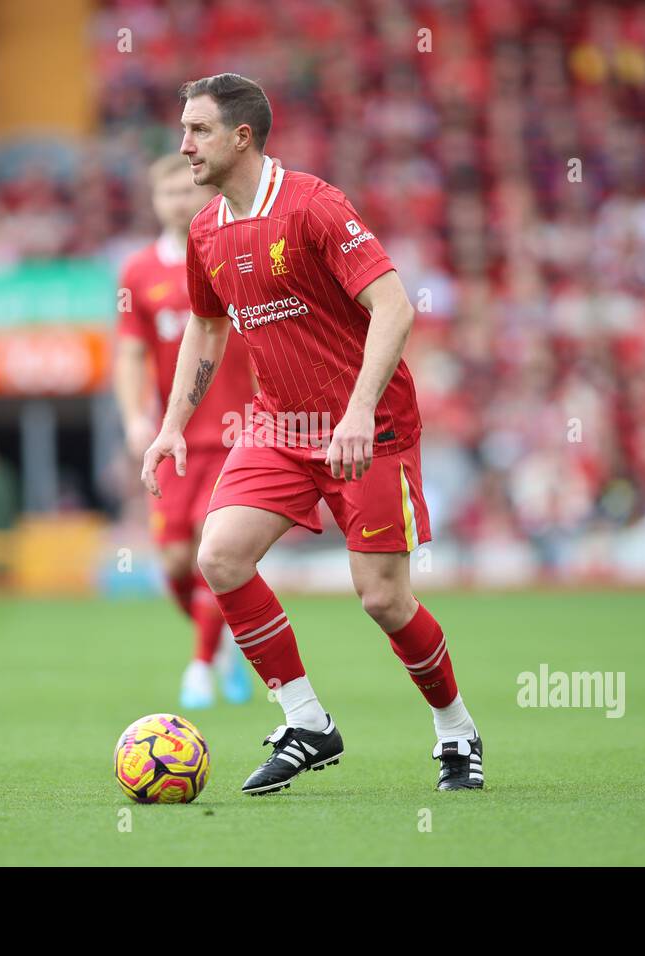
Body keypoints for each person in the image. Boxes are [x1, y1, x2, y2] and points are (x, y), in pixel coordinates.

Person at [141, 74, 482, 794]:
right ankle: (306, 721)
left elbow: (393, 307)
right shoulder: (205, 229)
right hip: (278, 424)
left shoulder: (315, 206)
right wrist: (172, 425)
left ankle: (455, 727)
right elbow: (206, 328)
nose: (184, 145)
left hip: (370, 425)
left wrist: (358, 411)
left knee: (384, 600)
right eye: (182, 130)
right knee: (220, 556)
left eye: (197, 130)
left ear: (241, 136)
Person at [116, 153, 255, 709]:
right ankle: (224, 642)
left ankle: (200, 666)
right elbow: (129, 354)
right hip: (172, 439)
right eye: (165, 193)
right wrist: (134, 418)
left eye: (185, 189)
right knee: (174, 562)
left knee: (209, 549)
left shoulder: (233, 249)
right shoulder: (138, 272)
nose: (178, 200)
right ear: (154, 201)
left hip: (237, 431)